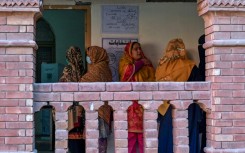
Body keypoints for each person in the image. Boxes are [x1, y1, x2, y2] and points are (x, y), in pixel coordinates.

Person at [155, 38, 203, 153]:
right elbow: (198, 86)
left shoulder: (161, 67)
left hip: (166, 108)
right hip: (187, 107)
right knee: (186, 135)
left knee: (167, 135)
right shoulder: (190, 66)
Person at [119, 42, 155, 153]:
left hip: (144, 106)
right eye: (135, 49)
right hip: (130, 108)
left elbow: (153, 81)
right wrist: (140, 63)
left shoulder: (147, 65)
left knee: (144, 140)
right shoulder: (125, 63)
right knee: (130, 141)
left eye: (140, 48)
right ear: (129, 52)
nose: (139, 51)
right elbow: (126, 74)